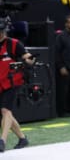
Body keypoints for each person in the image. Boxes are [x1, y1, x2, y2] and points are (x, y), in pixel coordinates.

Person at [0, 18, 35, 152]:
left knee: (5, 111)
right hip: (0, 82)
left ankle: (2, 140)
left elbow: (28, 57)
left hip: (13, 81)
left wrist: (30, 60)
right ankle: (22, 138)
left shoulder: (14, 44)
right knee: (4, 113)